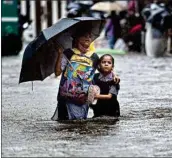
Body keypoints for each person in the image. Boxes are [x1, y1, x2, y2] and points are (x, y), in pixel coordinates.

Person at [51, 28, 99, 121]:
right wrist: (60, 54)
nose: (88, 39)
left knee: (80, 122)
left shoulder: (94, 57)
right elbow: (57, 73)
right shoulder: (68, 54)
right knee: (64, 124)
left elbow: (104, 71)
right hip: (66, 96)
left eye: (89, 37)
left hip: (83, 97)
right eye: (85, 36)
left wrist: (114, 75)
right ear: (77, 39)